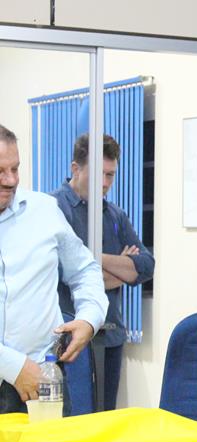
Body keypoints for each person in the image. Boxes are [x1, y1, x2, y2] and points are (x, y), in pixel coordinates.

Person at [0, 124, 107, 414]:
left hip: (43, 384)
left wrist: (89, 319)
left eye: (15, 169)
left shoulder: (44, 211)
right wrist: (12, 365)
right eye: (0, 171)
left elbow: (84, 270)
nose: (10, 181)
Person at [51, 133, 155, 411]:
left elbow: (145, 267)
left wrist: (92, 259)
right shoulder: (54, 209)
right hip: (69, 338)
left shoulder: (115, 215)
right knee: (71, 419)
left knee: (105, 416)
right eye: (100, 174)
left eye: (111, 175)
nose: (106, 183)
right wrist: (119, 268)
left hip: (109, 335)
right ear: (76, 168)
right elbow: (62, 273)